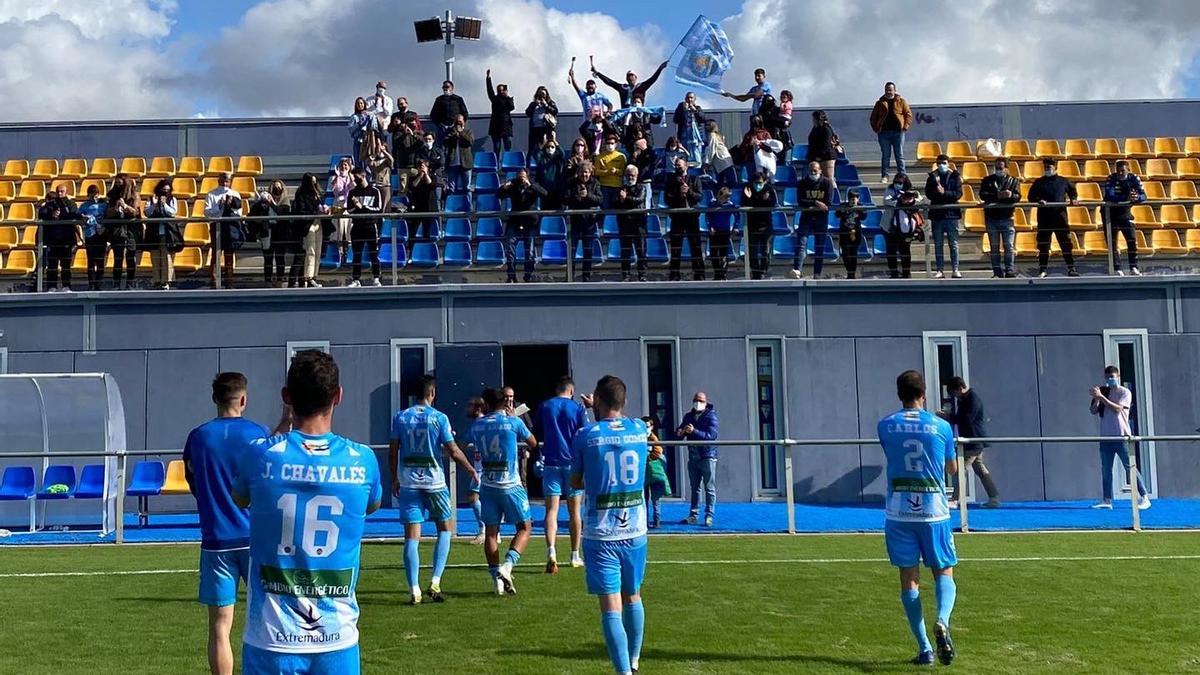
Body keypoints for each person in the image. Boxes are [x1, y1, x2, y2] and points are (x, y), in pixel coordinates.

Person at [233, 350, 382, 675]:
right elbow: (372, 504)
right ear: (338, 396)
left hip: (271, 638)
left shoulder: (259, 455)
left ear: (286, 397)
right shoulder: (363, 460)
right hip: (336, 637)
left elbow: (239, 497)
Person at [182, 373, 280, 675]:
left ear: (215, 399)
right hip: (255, 539)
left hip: (216, 541)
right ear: (243, 399)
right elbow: (270, 473)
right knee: (269, 621)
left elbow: (193, 480)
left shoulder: (198, 437)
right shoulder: (256, 433)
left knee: (220, 627)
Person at [877, 369, 958, 667]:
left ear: (899, 394)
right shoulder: (941, 426)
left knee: (908, 579)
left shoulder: (885, 425)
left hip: (899, 511)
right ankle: (943, 620)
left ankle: (925, 648)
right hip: (933, 510)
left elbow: (892, 454)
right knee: (944, 571)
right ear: (924, 393)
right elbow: (951, 468)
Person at [569, 375, 649, 675]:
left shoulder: (585, 435)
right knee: (633, 594)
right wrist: (603, 408)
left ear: (597, 400)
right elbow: (621, 425)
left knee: (611, 605)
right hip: (635, 530)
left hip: (601, 532)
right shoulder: (639, 429)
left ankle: (623, 671)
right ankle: (635, 659)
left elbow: (575, 480)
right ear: (624, 401)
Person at [389, 375, 479, 605]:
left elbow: (393, 451)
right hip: (435, 483)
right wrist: (470, 469)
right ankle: (435, 580)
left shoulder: (400, 417)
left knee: (411, 537)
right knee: (445, 528)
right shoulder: (439, 418)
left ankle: (414, 588)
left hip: (409, 482)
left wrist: (394, 478)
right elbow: (453, 450)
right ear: (432, 393)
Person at [469, 387, 538, 596]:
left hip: (488, 485)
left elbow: (460, 444)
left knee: (491, 532)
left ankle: (496, 582)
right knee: (525, 527)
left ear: (487, 405)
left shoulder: (478, 424)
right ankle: (507, 566)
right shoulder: (513, 421)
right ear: (504, 404)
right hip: (510, 484)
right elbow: (533, 442)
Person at [534, 376, 592, 574]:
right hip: (572, 463)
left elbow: (536, 433)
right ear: (571, 391)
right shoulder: (577, 408)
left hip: (550, 462)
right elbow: (585, 433)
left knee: (551, 511)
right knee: (575, 511)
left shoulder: (545, 406)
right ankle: (575, 554)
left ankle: (551, 551)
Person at [1090, 366, 1151, 510]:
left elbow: (1117, 409)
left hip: (1122, 436)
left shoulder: (1125, 392)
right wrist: (1096, 399)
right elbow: (1093, 411)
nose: (1109, 380)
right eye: (1107, 377)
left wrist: (1102, 398)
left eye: (1112, 376)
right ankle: (1107, 500)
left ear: (1118, 376)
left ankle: (1144, 497)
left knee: (1130, 467)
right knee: (1106, 469)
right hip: (1106, 437)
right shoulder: (1103, 392)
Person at [937, 377, 1001, 508]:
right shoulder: (966, 399)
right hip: (974, 441)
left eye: (954, 393)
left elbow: (967, 419)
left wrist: (948, 417)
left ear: (960, 388)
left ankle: (955, 500)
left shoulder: (972, 399)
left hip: (973, 441)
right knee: (980, 470)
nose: (954, 397)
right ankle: (994, 497)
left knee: (961, 470)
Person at [1028, 158, 1080, 278]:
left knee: (1065, 244)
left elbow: (1073, 191)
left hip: (1060, 218)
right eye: (1045, 167)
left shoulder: (1063, 181)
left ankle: (1071, 268)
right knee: (1044, 245)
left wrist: (1074, 198)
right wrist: (1038, 200)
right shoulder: (1039, 182)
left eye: (1049, 167)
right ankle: (1042, 269)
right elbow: (1031, 196)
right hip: (1044, 218)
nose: (1047, 169)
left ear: (1055, 168)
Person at [496, 169, 547, 283]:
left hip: (529, 222)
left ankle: (528, 275)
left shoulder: (533, 185)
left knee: (529, 252)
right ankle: (511, 275)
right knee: (510, 248)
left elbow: (545, 193)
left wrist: (531, 185)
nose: (521, 179)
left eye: (523, 177)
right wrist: (504, 187)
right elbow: (499, 195)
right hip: (515, 221)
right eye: (519, 177)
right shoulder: (514, 185)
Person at [677, 391, 719, 526]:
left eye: (700, 400)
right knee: (694, 487)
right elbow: (678, 434)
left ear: (706, 403)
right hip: (693, 456)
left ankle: (709, 515)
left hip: (707, 456)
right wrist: (681, 431)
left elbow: (711, 436)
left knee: (709, 487)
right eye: (695, 400)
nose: (698, 403)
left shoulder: (711, 417)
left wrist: (694, 431)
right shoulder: (688, 416)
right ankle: (693, 514)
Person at [792, 160, 835, 279]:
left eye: (815, 170)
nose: (812, 172)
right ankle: (797, 271)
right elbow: (801, 201)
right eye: (810, 170)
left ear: (820, 170)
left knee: (819, 247)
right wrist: (816, 202)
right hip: (806, 217)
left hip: (821, 218)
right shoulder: (802, 183)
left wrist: (815, 204)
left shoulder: (827, 183)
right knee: (801, 244)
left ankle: (817, 273)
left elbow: (828, 202)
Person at [979, 158, 1021, 278]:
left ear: (1006, 168)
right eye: (996, 167)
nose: (998, 169)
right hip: (992, 218)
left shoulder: (1013, 181)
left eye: (1001, 167)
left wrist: (1011, 195)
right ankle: (997, 271)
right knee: (994, 246)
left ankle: (1009, 269)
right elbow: (983, 195)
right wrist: (997, 195)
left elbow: (1018, 196)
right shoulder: (987, 180)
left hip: (1007, 217)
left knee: (1008, 245)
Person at [664, 157, 704, 281]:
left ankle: (699, 274)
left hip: (692, 217)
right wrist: (679, 194)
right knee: (676, 248)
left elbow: (699, 197)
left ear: (686, 166)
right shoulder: (671, 180)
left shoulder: (694, 179)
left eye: (679, 165)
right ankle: (674, 274)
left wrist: (689, 192)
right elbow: (667, 198)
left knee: (696, 246)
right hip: (677, 217)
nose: (677, 167)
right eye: (676, 165)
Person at [924, 154, 964, 279]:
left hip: (951, 216)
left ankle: (955, 269)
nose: (941, 165)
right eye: (939, 163)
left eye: (944, 162)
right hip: (937, 216)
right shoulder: (932, 177)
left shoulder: (955, 176)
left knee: (953, 244)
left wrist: (944, 193)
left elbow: (958, 194)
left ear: (948, 163)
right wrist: (938, 193)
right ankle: (940, 270)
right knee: (938, 244)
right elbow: (929, 194)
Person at [1103, 159, 1145, 276]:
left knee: (1131, 239)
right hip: (1109, 214)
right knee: (1112, 242)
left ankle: (1134, 267)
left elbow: (1143, 195)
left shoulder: (1134, 178)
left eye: (1122, 171)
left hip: (1125, 213)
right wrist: (1126, 198)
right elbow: (1110, 195)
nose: (1120, 173)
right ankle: (1117, 268)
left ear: (1128, 170)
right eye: (1118, 171)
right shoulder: (1111, 178)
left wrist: (1137, 198)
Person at [38, 183, 82, 292]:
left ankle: (66, 285)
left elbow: (73, 214)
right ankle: (51, 286)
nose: (59, 193)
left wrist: (60, 215)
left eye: (62, 191)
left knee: (65, 264)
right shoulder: (51, 203)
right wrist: (51, 215)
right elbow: (42, 213)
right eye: (58, 191)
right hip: (53, 239)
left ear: (66, 192)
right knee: (52, 265)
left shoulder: (71, 203)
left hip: (66, 239)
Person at [288, 172, 328, 289]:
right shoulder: (301, 194)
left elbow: (319, 206)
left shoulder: (317, 194)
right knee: (311, 252)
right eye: (312, 182)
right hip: (308, 225)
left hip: (318, 223)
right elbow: (302, 211)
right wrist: (316, 211)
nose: (314, 184)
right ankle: (308, 278)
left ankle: (314, 276)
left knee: (318, 251)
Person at [563, 161, 602, 281]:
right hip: (574, 221)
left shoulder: (595, 183)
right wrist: (577, 197)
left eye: (586, 172)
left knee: (588, 251)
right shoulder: (571, 183)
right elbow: (564, 198)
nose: (584, 174)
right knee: (572, 251)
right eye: (582, 172)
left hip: (589, 222)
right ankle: (570, 276)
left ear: (590, 173)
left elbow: (599, 199)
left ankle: (586, 276)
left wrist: (588, 195)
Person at [203, 172, 243, 288]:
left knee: (229, 254)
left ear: (230, 182)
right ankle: (214, 281)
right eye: (222, 181)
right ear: (218, 181)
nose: (224, 183)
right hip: (216, 226)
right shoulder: (211, 194)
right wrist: (219, 207)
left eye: (227, 181)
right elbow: (207, 213)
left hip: (230, 226)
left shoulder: (235, 194)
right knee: (216, 254)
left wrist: (230, 205)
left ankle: (229, 282)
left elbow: (239, 213)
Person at [869, 82, 913, 184]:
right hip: (884, 134)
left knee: (899, 155)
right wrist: (877, 129)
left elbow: (908, 115)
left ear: (894, 90)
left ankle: (902, 176)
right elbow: (873, 118)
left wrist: (905, 127)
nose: (888, 92)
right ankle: (885, 176)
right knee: (886, 155)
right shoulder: (880, 103)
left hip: (898, 133)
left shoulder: (901, 101)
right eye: (887, 90)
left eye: (890, 90)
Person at [345, 168, 383, 287]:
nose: (355, 180)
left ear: (363, 175)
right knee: (357, 254)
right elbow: (350, 210)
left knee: (373, 253)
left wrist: (363, 207)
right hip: (357, 226)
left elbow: (378, 209)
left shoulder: (375, 191)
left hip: (370, 226)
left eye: (357, 177)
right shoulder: (352, 192)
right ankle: (356, 279)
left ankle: (376, 277)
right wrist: (357, 207)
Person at [250, 180, 291, 287]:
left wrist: (272, 202)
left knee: (280, 258)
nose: (276, 190)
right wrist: (260, 201)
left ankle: (279, 280)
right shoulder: (264, 201)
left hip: (280, 232)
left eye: (279, 187)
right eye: (274, 187)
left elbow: (281, 212)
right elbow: (253, 213)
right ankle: (267, 280)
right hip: (267, 231)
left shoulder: (285, 201)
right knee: (268, 258)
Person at [105, 174, 142, 290]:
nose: (117, 186)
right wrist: (115, 209)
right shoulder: (113, 196)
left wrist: (125, 206)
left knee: (131, 257)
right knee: (118, 258)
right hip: (117, 230)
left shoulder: (134, 195)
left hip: (131, 229)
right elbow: (107, 213)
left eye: (120, 183)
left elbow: (135, 212)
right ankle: (116, 284)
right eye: (116, 184)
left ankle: (130, 284)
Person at [143, 178, 181, 290]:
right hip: (154, 232)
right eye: (163, 190)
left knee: (166, 257)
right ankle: (156, 280)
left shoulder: (172, 199)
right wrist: (154, 205)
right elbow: (147, 213)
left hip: (167, 232)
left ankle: (166, 281)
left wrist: (164, 204)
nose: (165, 193)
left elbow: (173, 212)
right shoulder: (151, 199)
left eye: (167, 191)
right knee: (155, 257)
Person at [590, 56, 670, 109]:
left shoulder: (641, 86)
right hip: (625, 113)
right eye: (628, 76)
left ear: (636, 77)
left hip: (639, 114)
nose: (630, 77)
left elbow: (652, 79)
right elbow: (610, 82)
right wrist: (597, 73)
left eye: (632, 75)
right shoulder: (622, 88)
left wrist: (660, 69)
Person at [883, 174, 923, 279]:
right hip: (890, 226)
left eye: (900, 183)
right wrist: (900, 200)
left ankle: (906, 273)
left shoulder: (912, 190)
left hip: (906, 228)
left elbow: (920, 200)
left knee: (905, 250)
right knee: (891, 250)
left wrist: (911, 200)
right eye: (896, 182)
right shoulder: (890, 189)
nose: (897, 184)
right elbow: (887, 201)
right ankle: (894, 272)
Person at [615, 165, 649, 282]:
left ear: (637, 175)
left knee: (641, 251)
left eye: (632, 175)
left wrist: (626, 198)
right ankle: (626, 275)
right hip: (625, 224)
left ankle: (642, 275)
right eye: (628, 175)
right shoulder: (621, 188)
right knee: (625, 251)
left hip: (639, 224)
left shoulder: (641, 187)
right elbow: (616, 204)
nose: (630, 177)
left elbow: (639, 200)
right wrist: (621, 199)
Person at [462, 396, 488, 545]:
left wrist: (451, 446)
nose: (467, 409)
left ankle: (484, 530)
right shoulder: (484, 423)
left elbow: (463, 444)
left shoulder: (477, 425)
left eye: (470, 406)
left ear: (478, 408)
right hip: (486, 467)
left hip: (483, 468)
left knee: (473, 496)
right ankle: (490, 530)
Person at [743, 171, 778, 280]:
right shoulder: (747, 189)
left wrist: (767, 199)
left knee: (765, 251)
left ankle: (763, 271)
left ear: (764, 181)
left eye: (760, 182)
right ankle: (755, 272)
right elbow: (744, 205)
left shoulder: (769, 189)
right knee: (752, 252)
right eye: (755, 182)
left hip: (766, 225)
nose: (757, 185)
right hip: (752, 225)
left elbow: (774, 204)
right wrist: (749, 197)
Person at [77, 183, 108, 290]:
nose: (93, 196)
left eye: (95, 194)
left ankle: (99, 285)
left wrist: (104, 227)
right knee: (91, 261)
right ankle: (91, 284)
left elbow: (108, 216)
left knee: (100, 261)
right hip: (90, 234)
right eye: (91, 194)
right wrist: (83, 217)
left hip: (101, 234)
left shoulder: (104, 205)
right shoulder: (85, 205)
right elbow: (78, 215)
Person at [642, 416, 670, 528]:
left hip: (653, 473)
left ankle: (656, 520)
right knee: (644, 498)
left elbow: (658, 451)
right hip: (644, 474)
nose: (646, 429)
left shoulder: (654, 439)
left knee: (655, 499)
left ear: (652, 427)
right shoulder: (638, 438)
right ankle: (644, 521)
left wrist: (647, 459)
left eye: (647, 426)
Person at [387, 107, 420, 196]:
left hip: (415, 165)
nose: (411, 124)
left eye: (413, 122)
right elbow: (396, 142)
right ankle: (402, 206)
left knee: (416, 188)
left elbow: (421, 143)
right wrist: (404, 134)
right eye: (409, 122)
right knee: (402, 189)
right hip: (403, 166)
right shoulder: (399, 134)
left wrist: (413, 134)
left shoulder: (418, 133)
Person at [407, 157, 441, 242]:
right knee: (413, 230)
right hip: (417, 208)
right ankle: (412, 248)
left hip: (429, 208)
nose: (421, 169)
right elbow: (413, 186)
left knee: (427, 231)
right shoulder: (413, 178)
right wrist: (420, 175)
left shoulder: (433, 177)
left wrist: (425, 174)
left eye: (423, 167)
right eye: (419, 167)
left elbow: (431, 185)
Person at [707, 186, 738, 281]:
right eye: (725, 197)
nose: (727, 199)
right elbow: (708, 216)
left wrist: (735, 227)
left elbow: (737, 216)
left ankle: (723, 273)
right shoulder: (712, 204)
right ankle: (717, 273)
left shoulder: (730, 205)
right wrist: (710, 227)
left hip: (725, 231)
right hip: (714, 232)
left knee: (724, 253)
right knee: (714, 253)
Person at [327, 156, 354, 263]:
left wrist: (350, 176)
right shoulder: (335, 177)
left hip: (348, 206)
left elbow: (353, 187)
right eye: (342, 165)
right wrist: (337, 177)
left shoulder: (351, 176)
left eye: (345, 165)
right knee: (338, 230)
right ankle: (339, 252)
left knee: (347, 230)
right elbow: (332, 188)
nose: (343, 167)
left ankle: (347, 252)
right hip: (337, 205)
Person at [837, 188, 867, 279]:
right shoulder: (843, 205)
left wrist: (857, 208)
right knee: (845, 254)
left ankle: (851, 274)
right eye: (851, 198)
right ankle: (848, 269)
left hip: (856, 233)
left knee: (853, 254)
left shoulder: (861, 206)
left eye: (855, 198)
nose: (853, 200)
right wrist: (844, 209)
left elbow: (864, 217)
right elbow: (837, 214)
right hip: (844, 234)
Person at [443, 114, 475, 196]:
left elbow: (470, 142)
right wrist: (454, 134)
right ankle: (451, 205)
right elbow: (445, 142)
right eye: (457, 122)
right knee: (451, 188)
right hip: (453, 163)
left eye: (460, 122)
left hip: (465, 163)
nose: (458, 124)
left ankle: (468, 206)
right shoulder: (450, 131)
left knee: (467, 187)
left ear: (464, 122)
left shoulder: (468, 131)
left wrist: (461, 133)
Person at [806, 110, 840, 187]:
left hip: (826, 157)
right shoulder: (816, 127)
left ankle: (834, 195)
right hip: (817, 157)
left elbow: (826, 144)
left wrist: (819, 156)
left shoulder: (826, 129)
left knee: (829, 179)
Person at [485, 69, 515, 155]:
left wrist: (507, 97)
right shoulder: (494, 99)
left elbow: (511, 107)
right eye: (499, 90)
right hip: (496, 126)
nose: (501, 91)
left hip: (506, 126)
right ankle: (497, 165)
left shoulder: (508, 99)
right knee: (496, 148)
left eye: (502, 90)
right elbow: (489, 90)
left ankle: (506, 163)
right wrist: (488, 78)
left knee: (508, 146)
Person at [594, 133, 627, 209]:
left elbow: (624, 172)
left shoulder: (621, 156)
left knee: (617, 209)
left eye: (612, 143)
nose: (610, 145)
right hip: (604, 186)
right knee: (605, 209)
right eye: (608, 143)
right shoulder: (599, 157)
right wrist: (607, 172)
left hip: (617, 187)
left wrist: (616, 171)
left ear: (616, 144)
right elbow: (596, 172)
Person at [534, 136, 567, 211]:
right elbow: (537, 155)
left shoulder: (558, 158)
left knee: (557, 209)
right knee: (545, 210)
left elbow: (563, 154)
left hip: (557, 189)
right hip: (545, 189)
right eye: (548, 147)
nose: (550, 148)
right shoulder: (542, 159)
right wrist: (543, 144)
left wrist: (555, 142)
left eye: (552, 147)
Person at [673, 92, 706, 165]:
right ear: (685, 99)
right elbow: (675, 120)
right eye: (688, 98)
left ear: (695, 99)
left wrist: (695, 111)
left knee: (696, 153)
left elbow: (703, 119)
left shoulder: (698, 108)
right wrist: (683, 110)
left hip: (695, 137)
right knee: (684, 154)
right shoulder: (680, 108)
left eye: (691, 98)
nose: (689, 99)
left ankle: (697, 166)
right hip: (684, 136)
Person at [525, 86, 559, 155]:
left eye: (543, 94)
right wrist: (535, 104)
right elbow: (527, 113)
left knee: (546, 147)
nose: (542, 96)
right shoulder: (533, 103)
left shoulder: (550, 103)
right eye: (540, 94)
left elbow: (555, 111)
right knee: (532, 148)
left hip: (546, 129)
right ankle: (530, 164)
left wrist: (546, 105)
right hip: (534, 129)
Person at [364, 134, 394, 214]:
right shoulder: (373, 159)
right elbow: (370, 163)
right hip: (375, 185)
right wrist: (374, 153)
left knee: (385, 208)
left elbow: (391, 160)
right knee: (375, 207)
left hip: (385, 186)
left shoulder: (386, 160)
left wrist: (384, 151)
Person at [702, 120, 737, 189]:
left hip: (722, 160)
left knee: (729, 181)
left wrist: (707, 162)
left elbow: (711, 149)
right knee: (722, 181)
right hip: (722, 161)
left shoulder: (712, 135)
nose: (706, 126)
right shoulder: (717, 135)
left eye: (708, 125)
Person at [347, 97, 378, 169]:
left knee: (369, 161)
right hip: (358, 141)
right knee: (358, 161)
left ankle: (369, 177)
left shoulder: (370, 115)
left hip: (369, 141)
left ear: (364, 104)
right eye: (358, 103)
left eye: (361, 103)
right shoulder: (354, 117)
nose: (360, 105)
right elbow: (351, 130)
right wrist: (359, 124)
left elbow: (375, 128)